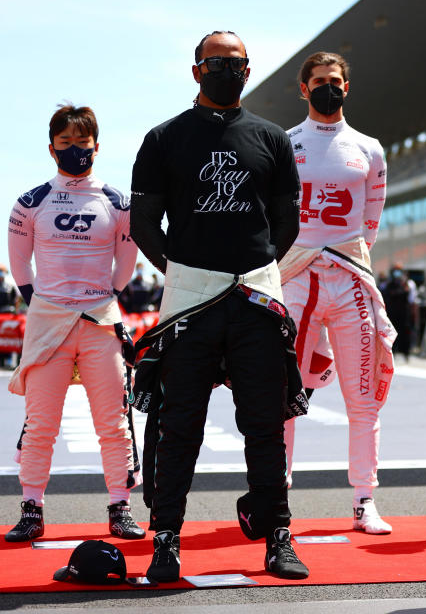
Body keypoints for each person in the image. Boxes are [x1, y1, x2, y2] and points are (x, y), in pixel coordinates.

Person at [130, 30, 308, 582]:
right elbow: (143, 225)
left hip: (256, 297)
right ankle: (166, 540)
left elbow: (287, 223)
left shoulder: (272, 138)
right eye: (216, 62)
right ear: (196, 71)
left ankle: (278, 535)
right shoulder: (163, 138)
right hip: (191, 302)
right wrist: (186, 272)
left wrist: (250, 270)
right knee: (180, 425)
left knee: (265, 425)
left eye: (236, 63)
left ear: (248, 71)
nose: (226, 70)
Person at [5, 104, 143, 543]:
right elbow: (18, 264)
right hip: (48, 323)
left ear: (96, 148)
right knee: (41, 421)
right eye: (65, 143)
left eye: (82, 143)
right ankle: (31, 508)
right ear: (51, 149)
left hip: (100, 322)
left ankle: (120, 506)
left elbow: (127, 261)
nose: (75, 150)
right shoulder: (30, 201)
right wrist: (44, 302)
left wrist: (106, 299)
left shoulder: (118, 201)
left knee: (113, 420)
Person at [278, 50, 396, 534]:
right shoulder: (283, 144)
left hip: (350, 278)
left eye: (335, 80)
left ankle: (364, 499)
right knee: (282, 393)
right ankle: (275, 496)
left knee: (362, 395)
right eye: (319, 80)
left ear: (347, 87)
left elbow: (371, 218)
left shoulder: (369, 148)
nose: (328, 87)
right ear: (304, 89)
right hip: (295, 278)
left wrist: (346, 258)